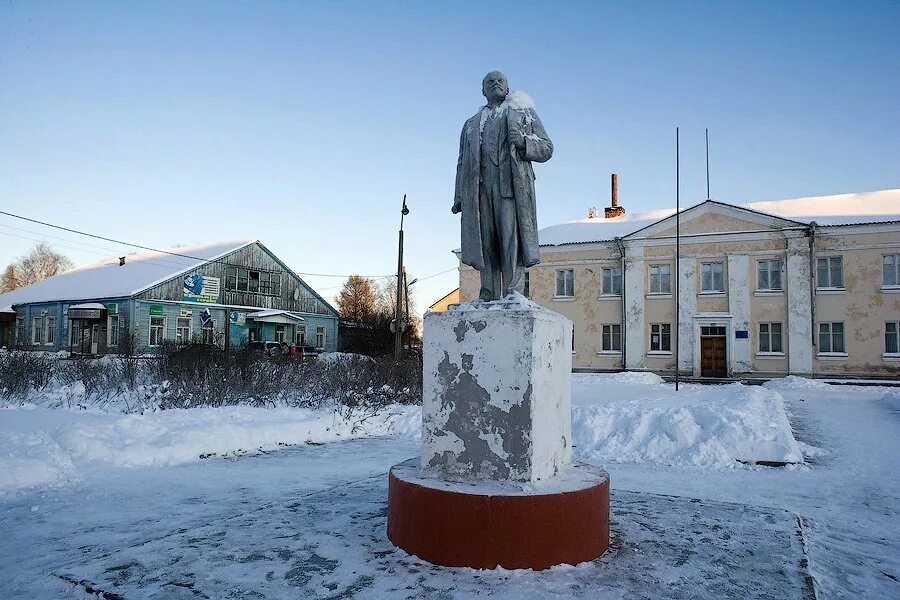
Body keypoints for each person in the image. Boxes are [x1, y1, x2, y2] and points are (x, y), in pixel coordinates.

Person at [452, 70, 553, 300]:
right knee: (485, 243)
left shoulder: (522, 113)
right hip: (480, 191)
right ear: (483, 90)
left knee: (510, 242)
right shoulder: (471, 124)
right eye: (490, 82)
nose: (495, 84)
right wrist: (459, 195)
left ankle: (513, 292)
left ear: (507, 87)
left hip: (510, 188)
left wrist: (525, 142)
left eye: (500, 81)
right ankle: (487, 292)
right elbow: (461, 161)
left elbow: (547, 147)